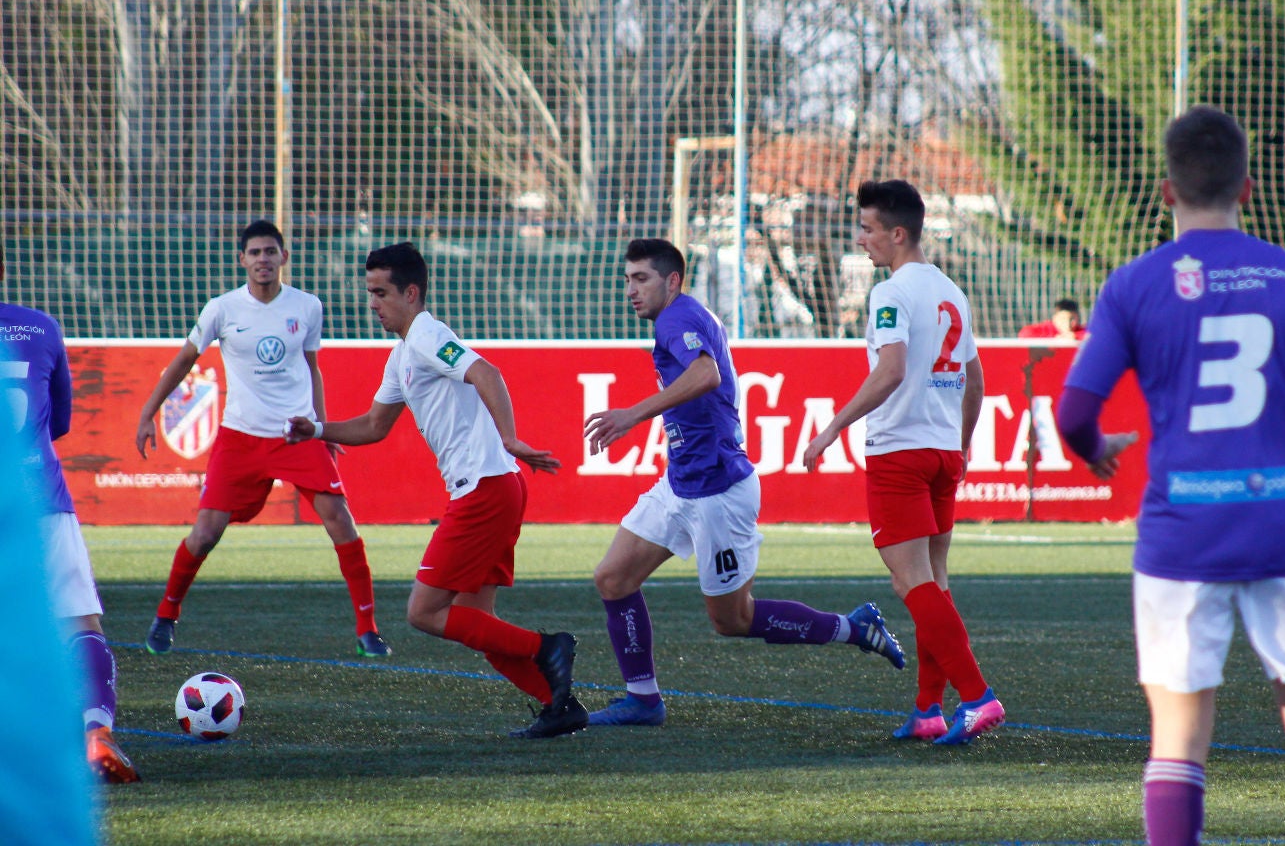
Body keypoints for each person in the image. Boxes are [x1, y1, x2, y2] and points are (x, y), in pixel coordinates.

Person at [1056, 106, 1285, 845]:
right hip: (1281, 526)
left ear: (1167, 191)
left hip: (1181, 537)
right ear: (1249, 187)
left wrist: (1095, 448)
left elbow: (1074, 409)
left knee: (1178, 738)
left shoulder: (1134, 284)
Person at [582, 238, 906, 728]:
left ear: (672, 280)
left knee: (732, 620)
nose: (631, 289)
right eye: (627, 279)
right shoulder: (685, 315)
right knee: (612, 578)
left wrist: (632, 415)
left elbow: (706, 374)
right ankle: (643, 699)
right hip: (682, 483)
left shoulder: (676, 318)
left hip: (718, 493)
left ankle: (852, 628)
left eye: (641, 278)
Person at [284, 242, 585, 739]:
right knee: (474, 620)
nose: (373, 303)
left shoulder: (426, 334)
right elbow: (376, 425)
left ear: (411, 292)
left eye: (381, 293)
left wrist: (509, 437)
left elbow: (486, 372)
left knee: (424, 612)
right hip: (493, 487)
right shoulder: (403, 352)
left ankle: (545, 647)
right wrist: (317, 430)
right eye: (369, 293)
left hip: (483, 489)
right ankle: (560, 705)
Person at [802, 182, 1004, 746]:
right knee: (934, 581)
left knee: (909, 580)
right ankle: (927, 710)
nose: (860, 239)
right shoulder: (951, 291)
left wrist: (833, 428)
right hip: (941, 451)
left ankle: (978, 696)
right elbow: (976, 380)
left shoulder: (890, 292)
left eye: (867, 228)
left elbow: (890, 371)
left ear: (897, 233)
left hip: (899, 451)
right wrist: (962, 446)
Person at [135, 220, 390, 658]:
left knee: (341, 521)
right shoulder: (221, 308)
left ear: (283, 257)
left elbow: (312, 369)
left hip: (297, 434)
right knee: (204, 533)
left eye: (270, 251)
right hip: (241, 437)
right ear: (243, 260)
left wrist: (323, 429)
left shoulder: (308, 306)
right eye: (254, 253)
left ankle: (368, 629)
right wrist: (147, 413)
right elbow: (183, 360)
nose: (263, 260)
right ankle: (165, 616)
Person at [1, 247, 139, 784]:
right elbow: (57, 421)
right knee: (79, 623)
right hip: (40, 501)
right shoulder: (40, 327)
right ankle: (95, 734)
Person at [1017, 298, 1087, 341]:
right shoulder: (1047, 328)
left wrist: (1075, 337)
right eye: (1063, 319)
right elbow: (1024, 333)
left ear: (1078, 317)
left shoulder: (1081, 330)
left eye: (1072, 319)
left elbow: (1093, 337)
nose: (1067, 324)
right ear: (1055, 318)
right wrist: (1054, 340)